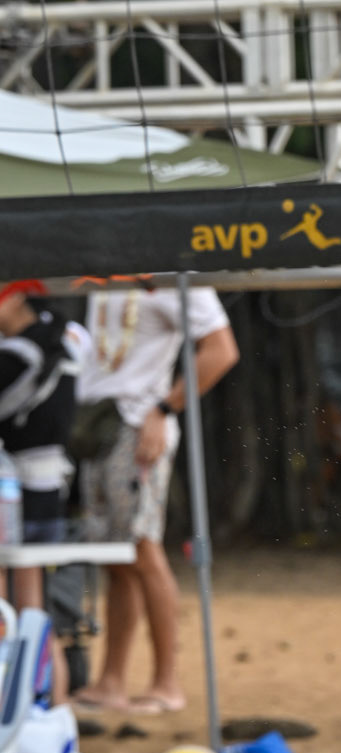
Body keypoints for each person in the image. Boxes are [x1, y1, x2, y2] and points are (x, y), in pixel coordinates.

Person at [74, 286, 239, 713]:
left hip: (137, 424)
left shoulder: (170, 272)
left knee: (143, 547)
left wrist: (163, 410)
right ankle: (111, 680)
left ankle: (167, 682)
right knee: (115, 556)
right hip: (98, 424)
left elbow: (221, 350)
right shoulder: (101, 270)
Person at [0, 279, 81, 698]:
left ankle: (18, 709)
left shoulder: (19, 354)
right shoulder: (65, 346)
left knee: (8, 609)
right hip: (50, 494)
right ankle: (55, 710)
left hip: (15, 494)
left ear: (17, 298)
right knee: (34, 608)